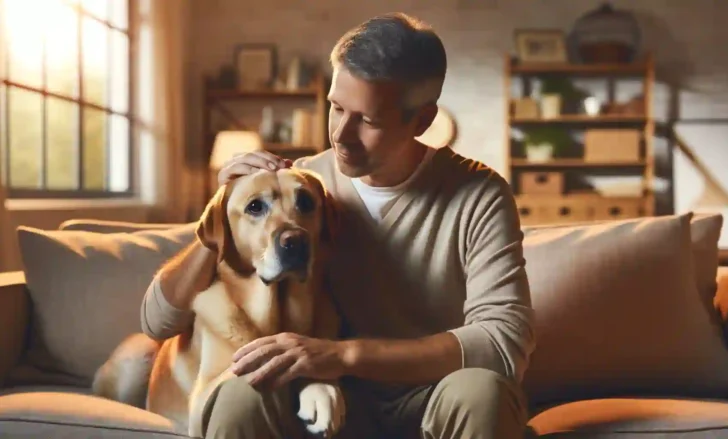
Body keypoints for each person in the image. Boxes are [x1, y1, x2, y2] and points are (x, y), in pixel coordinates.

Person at [140, 12, 536, 439]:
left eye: (368, 120)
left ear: (421, 121)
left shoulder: (479, 195)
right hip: (318, 399)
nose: (341, 135)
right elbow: (157, 323)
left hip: (430, 395)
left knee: (482, 389)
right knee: (240, 391)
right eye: (336, 107)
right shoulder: (301, 188)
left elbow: (500, 342)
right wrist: (222, 209)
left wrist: (344, 356)